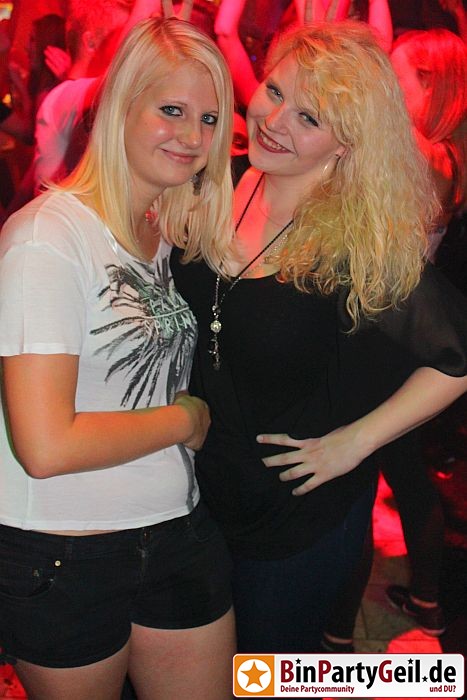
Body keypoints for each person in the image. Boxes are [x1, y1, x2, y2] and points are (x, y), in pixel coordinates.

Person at [171, 20, 467, 656]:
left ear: (345, 145)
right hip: (197, 495)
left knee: (265, 678)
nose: (276, 121)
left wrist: (354, 444)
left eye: (310, 118)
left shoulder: (357, 242)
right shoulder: (216, 184)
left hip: (294, 521)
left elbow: (455, 359)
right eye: (276, 92)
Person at [0, 16, 235, 700]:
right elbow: (46, 445)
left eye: (209, 119)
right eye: (171, 110)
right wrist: (185, 420)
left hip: (175, 525)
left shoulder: (161, 230)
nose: (192, 137)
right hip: (64, 546)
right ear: (120, 106)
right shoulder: (46, 240)